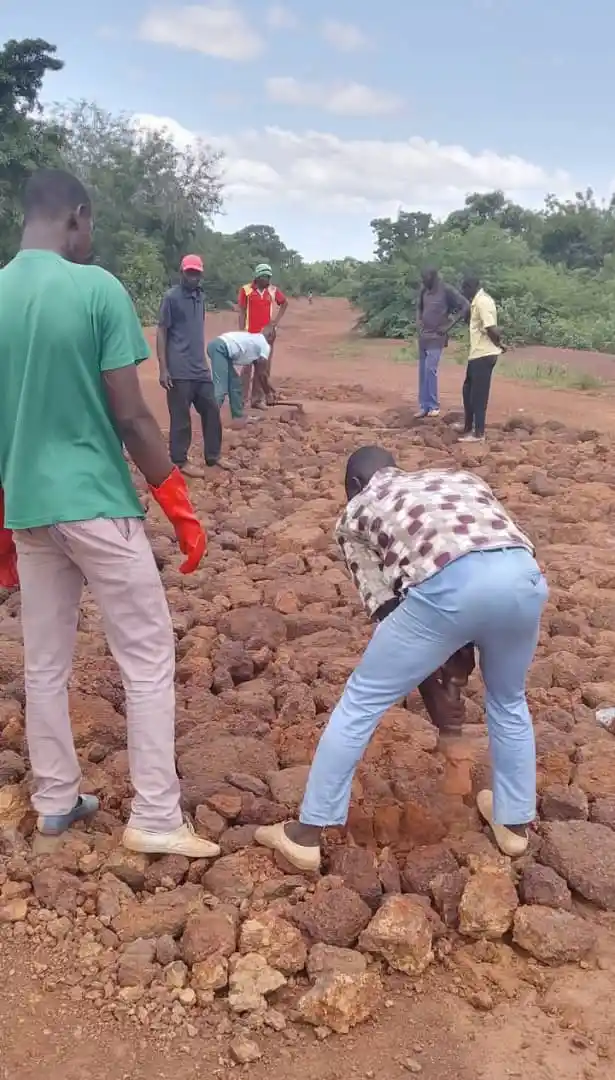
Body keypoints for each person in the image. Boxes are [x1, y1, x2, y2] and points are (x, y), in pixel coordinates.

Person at [0, 168, 219, 859]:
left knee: (45, 664)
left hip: (30, 511)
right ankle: (156, 814)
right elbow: (132, 415)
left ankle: (55, 800)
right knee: (148, 656)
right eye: (90, 228)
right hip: (96, 502)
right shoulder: (96, 288)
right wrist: (177, 503)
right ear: (79, 217)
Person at [255, 445, 547, 869]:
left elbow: (387, 607)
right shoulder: (460, 477)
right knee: (508, 701)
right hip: (524, 578)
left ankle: (306, 833)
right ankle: (514, 825)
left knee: (361, 702)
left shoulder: (357, 511)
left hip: (449, 588)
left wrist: (443, 661)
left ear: (354, 484)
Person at [157, 255, 228, 477]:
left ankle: (213, 456)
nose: (193, 277)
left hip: (200, 368)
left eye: (196, 273)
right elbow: (162, 331)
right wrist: (163, 368)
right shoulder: (171, 298)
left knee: (211, 411)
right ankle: (179, 460)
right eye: (189, 273)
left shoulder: (201, 297)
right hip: (179, 369)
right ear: (182, 272)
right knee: (181, 418)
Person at [457, 274, 506, 442]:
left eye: (464, 288)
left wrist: (498, 344)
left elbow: (491, 328)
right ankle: (468, 427)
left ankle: (479, 434)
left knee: (478, 395)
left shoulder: (483, 302)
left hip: (484, 355)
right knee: (468, 392)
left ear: (470, 287)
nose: (462, 291)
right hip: (477, 354)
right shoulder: (476, 302)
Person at [416, 267, 469, 419]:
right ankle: (423, 406)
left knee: (430, 369)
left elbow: (465, 306)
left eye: (425, 278)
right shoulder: (424, 291)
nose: (423, 281)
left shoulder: (446, 290)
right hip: (424, 337)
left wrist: (447, 327)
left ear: (433, 278)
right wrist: (418, 323)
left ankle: (433, 406)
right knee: (422, 373)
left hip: (436, 337)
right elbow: (419, 308)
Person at [237, 263, 288, 410]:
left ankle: (257, 400)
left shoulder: (272, 291)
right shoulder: (246, 290)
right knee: (246, 368)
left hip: (267, 337)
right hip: (250, 335)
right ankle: (241, 400)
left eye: (268, 277)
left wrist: (274, 322)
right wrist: (241, 332)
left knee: (263, 369)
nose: (267, 280)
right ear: (257, 277)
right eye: (264, 277)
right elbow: (241, 311)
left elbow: (284, 303)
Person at [207, 329, 275, 421]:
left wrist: (270, 389)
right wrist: (268, 393)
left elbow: (260, 371)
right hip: (220, 349)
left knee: (235, 384)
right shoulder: (264, 344)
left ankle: (238, 417)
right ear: (271, 338)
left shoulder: (254, 339)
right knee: (221, 389)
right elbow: (262, 373)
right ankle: (209, 419)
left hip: (220, 348)